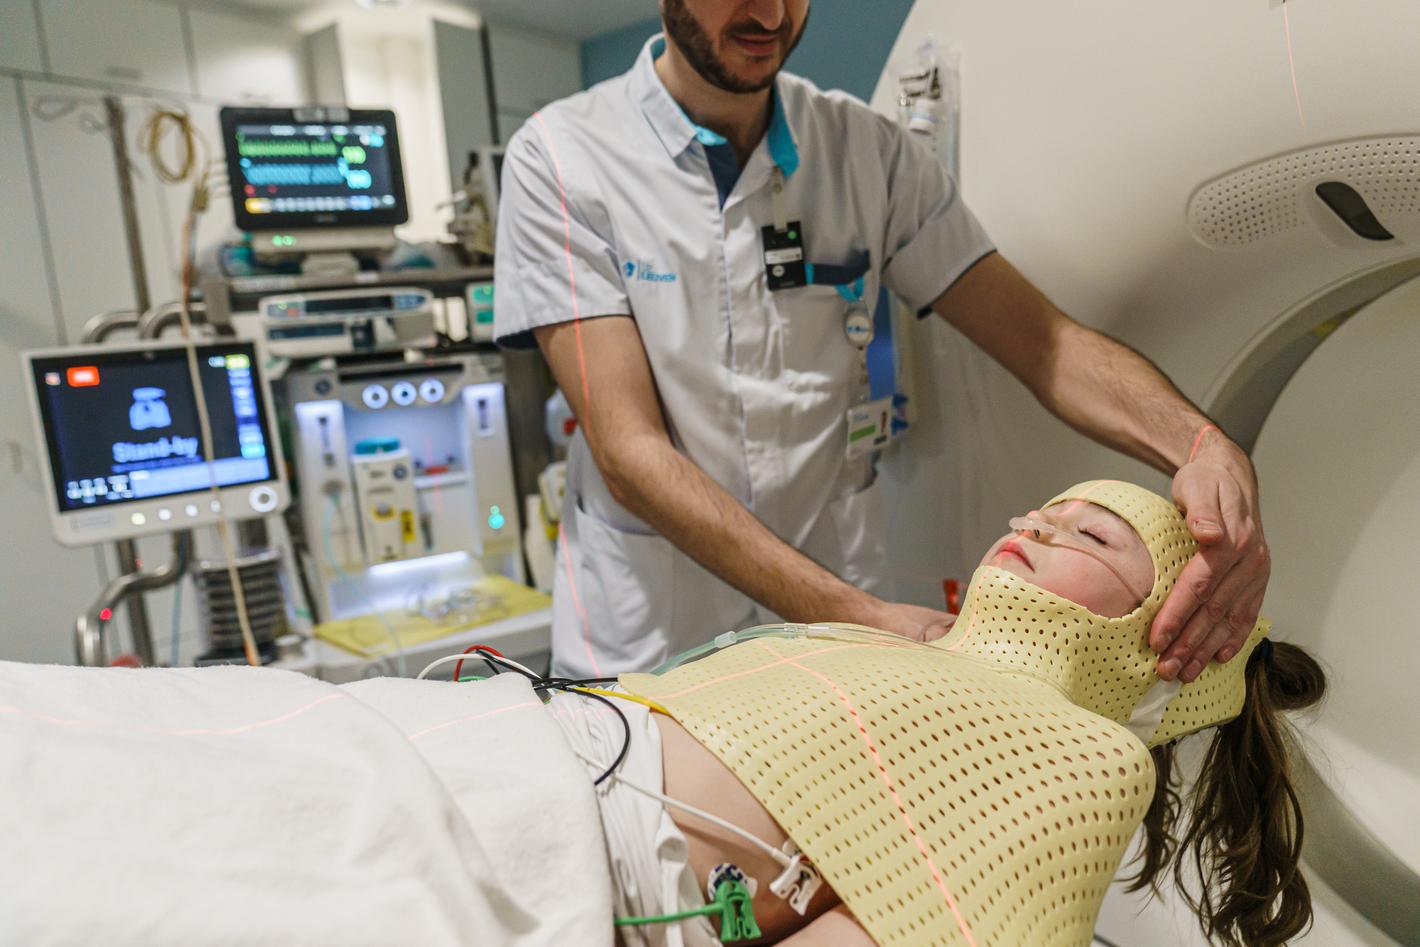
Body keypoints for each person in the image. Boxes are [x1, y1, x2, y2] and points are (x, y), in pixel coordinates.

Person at [493, 0, 1270, 683]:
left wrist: (1203, 442)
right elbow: (629, 453)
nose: (771, 14)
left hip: (829, 638)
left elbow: (1045, 344)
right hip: (651, 637)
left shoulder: (870, 154)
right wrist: (857, 612)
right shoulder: (563, 158)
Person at [552, 480, 1323, 946]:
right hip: (541, 730)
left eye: (1092, 535)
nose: (1035, 525)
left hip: (578, 846)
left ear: (1162, 635)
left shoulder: (1083, 760)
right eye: (1043, 512)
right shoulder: (881, 642)